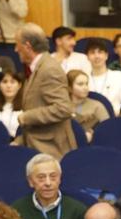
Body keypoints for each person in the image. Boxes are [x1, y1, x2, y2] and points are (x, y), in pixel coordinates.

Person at [12, 23, 77, 159]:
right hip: (36, 144)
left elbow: (63, 108)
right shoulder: (38, 67)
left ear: (27, 46)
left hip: (51, 149)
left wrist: (26, 117)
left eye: (17, 44)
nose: (15, 49)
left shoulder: (49, 69)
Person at [10, 153, 87, 219]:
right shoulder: (16, 210)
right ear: (30, 181)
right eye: (41, 177)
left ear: (60, 179)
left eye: (53, 176)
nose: (48, 183)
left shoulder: (77, 210)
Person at [85, 39, 121, 114]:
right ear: (87, 57)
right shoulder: (83, 79)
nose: (96, 56)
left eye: (100, 52)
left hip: (116, 120)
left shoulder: (120, 76)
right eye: (92, 53)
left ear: (106, 55)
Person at [67, 70, 109, 143]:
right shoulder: (61, 106)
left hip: (91, 144)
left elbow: (108, 128)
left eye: (86, 84)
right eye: (80, 84)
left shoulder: (97, 106)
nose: (85, 87)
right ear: (69, 87)